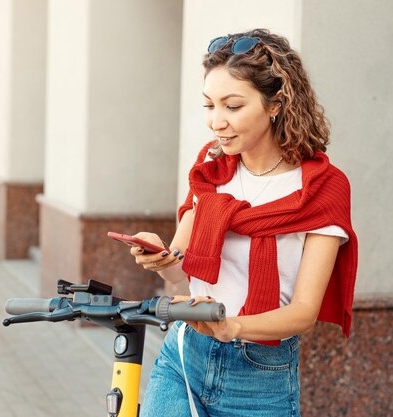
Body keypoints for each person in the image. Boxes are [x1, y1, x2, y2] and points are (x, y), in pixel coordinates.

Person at [130, 28, 358, 417]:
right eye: (209, 106)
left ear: (275, 104)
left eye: (232, 106)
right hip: (184, 355)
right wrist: (161, 260)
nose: (216, 122)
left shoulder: (322, 187)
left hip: (260, 374)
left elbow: (303, 313)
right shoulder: (210, 168)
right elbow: (181, 274)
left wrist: (231, 326)